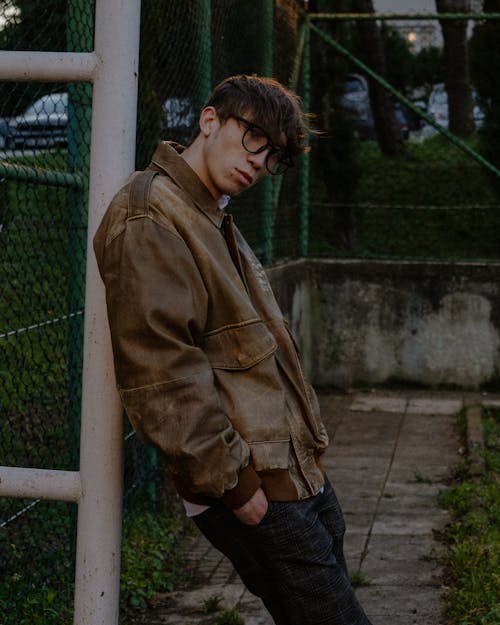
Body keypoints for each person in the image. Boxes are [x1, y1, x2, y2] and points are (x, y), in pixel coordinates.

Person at [93, 74, 373, 625]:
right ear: (209, 120)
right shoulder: (151, 214)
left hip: (293, 472)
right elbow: (163, 371)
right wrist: (235, 485)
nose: (258, 163)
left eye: (271, 155)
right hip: (252, 483)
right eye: (253, 137)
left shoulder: (209, 212)